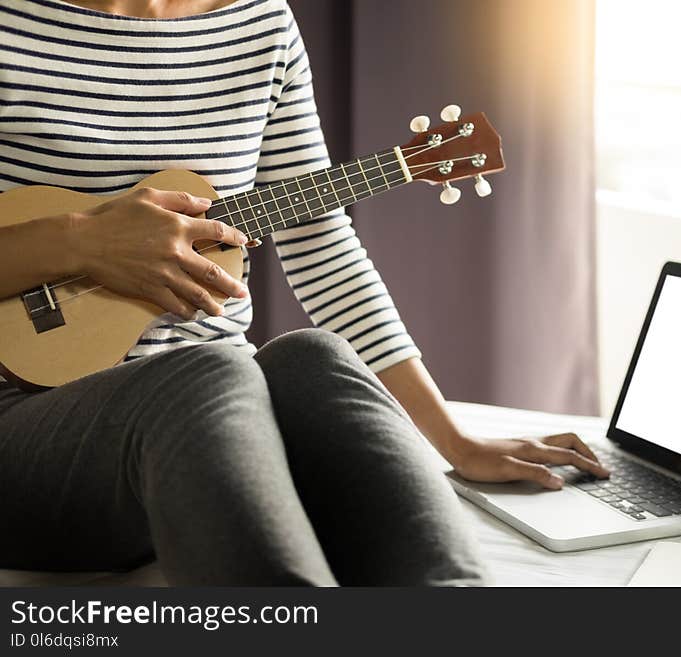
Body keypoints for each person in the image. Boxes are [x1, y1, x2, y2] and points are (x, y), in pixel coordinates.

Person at [0, 0, 607, 585]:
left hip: (214, 431)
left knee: (312, 357)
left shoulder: (262, 23)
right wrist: (81, 243)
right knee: (211, 371)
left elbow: (322, 249)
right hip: (28, 429)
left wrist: (452, 439)